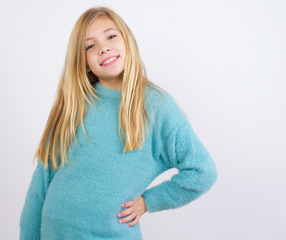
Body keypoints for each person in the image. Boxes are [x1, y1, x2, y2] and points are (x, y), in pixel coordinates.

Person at [19, 6, 218, 240]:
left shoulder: (157, 107)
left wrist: (148, 201)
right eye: (90, 46)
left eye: (111, 36)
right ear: (83, 62)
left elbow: (202, 172)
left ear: (128, 41)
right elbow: (40, 186)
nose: (103, 48)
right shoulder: (73, 106)